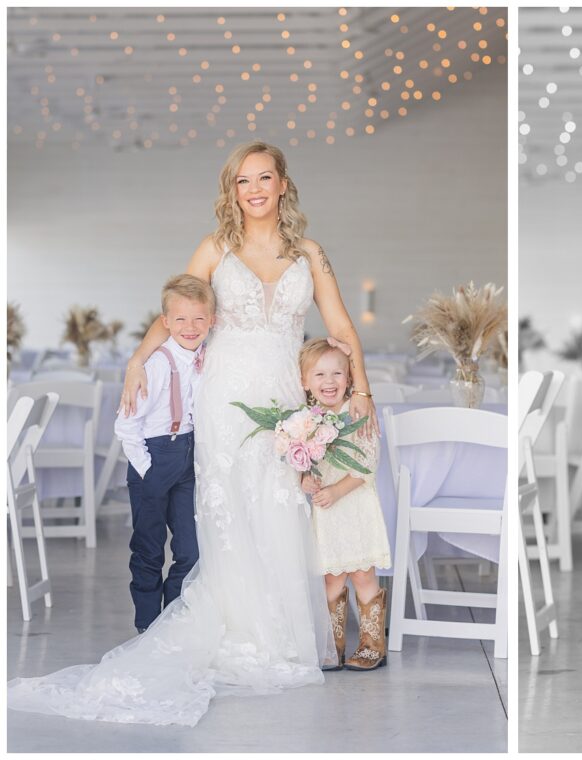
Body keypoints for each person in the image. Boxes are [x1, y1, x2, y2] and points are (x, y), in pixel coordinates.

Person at [8, 141, 377, 727]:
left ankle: (284, 635)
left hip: (286, 396)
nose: (253, 189)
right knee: (229, 512)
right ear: (231, 190)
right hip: (226, 399)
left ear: (283, 184)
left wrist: (361, 388)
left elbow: (338, 323)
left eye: (264, 177)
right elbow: (176, 311)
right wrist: (137, 361)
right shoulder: (215, 247)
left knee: (282, 509)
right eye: (241, 181)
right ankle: (238, 627)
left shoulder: (310, 252)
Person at [113, 274, 213, 634]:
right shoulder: (154, 366)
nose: (190, 327)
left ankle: (169, 624)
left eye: (199, 318)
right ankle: (146, 625)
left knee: (190, 549)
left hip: (187, 460)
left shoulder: (206, 357)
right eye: (181, 319)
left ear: (211, 321)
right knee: (149, 549)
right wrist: (146, 469)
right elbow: (126, 427)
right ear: (165, 322)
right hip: (153, 459)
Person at [297, 338, 392, 671]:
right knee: (331, 579)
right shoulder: (305, 420)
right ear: (305, 381)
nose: (329, 381)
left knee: (363, 575)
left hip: (355, 505)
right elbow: (302, 462)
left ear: (350, 378)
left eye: (337, 373)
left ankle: (371, 644)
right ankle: (332, 645)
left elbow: (367, 463)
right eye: (320, 374)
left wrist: (338, 490)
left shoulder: (357, 412)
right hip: (327, 513)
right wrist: (304, 480)